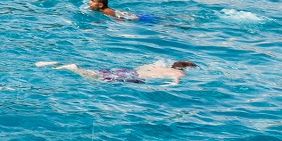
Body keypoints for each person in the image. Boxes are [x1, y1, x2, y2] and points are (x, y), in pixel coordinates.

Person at [53, 60, 198, 84]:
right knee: (97, 79)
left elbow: (140, 67)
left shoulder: (157, 65)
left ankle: (72, 67)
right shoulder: (179, 73)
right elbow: (175, 83)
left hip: (129, 71)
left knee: (100, 74)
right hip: (135, 78)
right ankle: (74, 68)